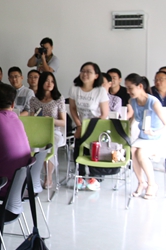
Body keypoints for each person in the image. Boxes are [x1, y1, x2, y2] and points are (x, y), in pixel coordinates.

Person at [69, 62, 110, 191]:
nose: (85, 74)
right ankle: (80, 176)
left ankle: (94, 177)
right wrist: (79, 125)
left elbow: (104, 114)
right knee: (78, 148)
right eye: (83, 71)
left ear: (96, 76)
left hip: (97, 126)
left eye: (89, 72)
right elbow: (72, 109)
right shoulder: (75, 88)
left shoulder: (100, 91)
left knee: (93, 151)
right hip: (81, 125)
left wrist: (91, 129)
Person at [21, 72, 66, 188]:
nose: (50, 83)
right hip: (38, 131)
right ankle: (30, 176)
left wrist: (50, 120)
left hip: (54, 131)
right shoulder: (34, 100)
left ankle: (48, 177)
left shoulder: (58, 99)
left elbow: (63, 122)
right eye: (47, 81)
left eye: (52, 81)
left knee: (49, 144)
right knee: (28, 144)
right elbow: (32, 119)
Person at [126, 74, 166, 200]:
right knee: (132, 150)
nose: (128, 91)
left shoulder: (153, 102)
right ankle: (141, 182)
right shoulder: (132, 101)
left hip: (156, 138)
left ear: (140, 86)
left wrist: (154, 132)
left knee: (141, 153)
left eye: (130, 88)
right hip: (143, 137)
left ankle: (152, 184)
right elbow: (134, 118)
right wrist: (126, 129)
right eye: (127, 88)